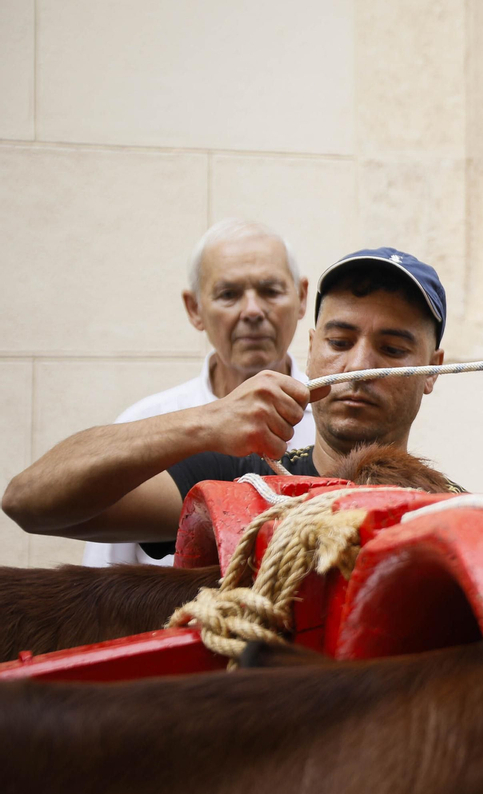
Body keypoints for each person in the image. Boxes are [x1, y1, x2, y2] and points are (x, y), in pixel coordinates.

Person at [3, 248, 459, 554]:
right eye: (339, 342)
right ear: (312, 347)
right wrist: (208, 421)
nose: (359, 366)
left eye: (393, 350)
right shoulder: (238, 479)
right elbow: (29, 502)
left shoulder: (452, 513)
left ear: (432, 370)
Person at [81, 219, 317, 567]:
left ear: (301, 298)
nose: (252, 311)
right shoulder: (147, 424)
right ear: (195, 309)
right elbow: (102, 578)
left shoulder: (334, 425)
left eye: (270, 290)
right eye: (229, 294)